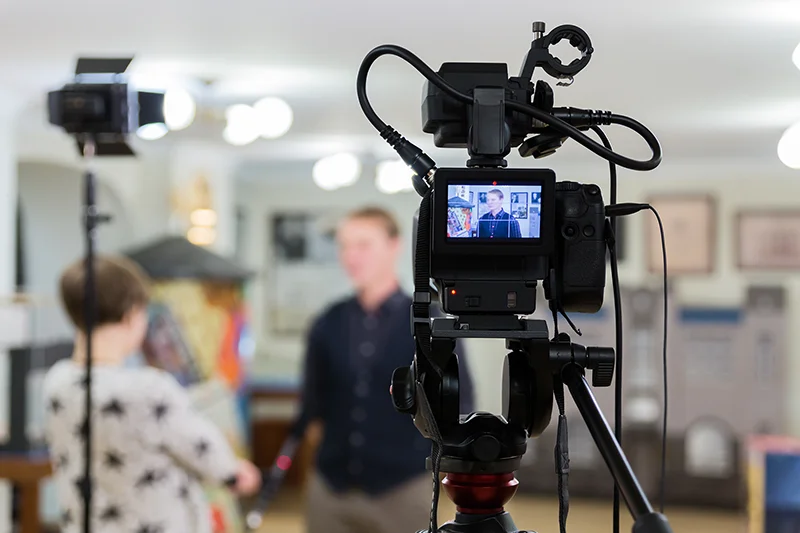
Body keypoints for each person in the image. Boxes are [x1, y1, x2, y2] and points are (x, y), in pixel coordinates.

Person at [42, 255, 262, 533]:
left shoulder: (56, 382)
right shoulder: (150, 389)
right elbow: (208, 454)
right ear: (131, 315)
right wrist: (235, 472)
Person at [290, 207, 474, 533]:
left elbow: (459, 403)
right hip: (331, 491)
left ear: (394, 246)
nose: (351, 256)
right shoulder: (327, 322)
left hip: (404, 490)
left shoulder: (430, 322)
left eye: (363, 245)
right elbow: (312, 408)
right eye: (344, 246)